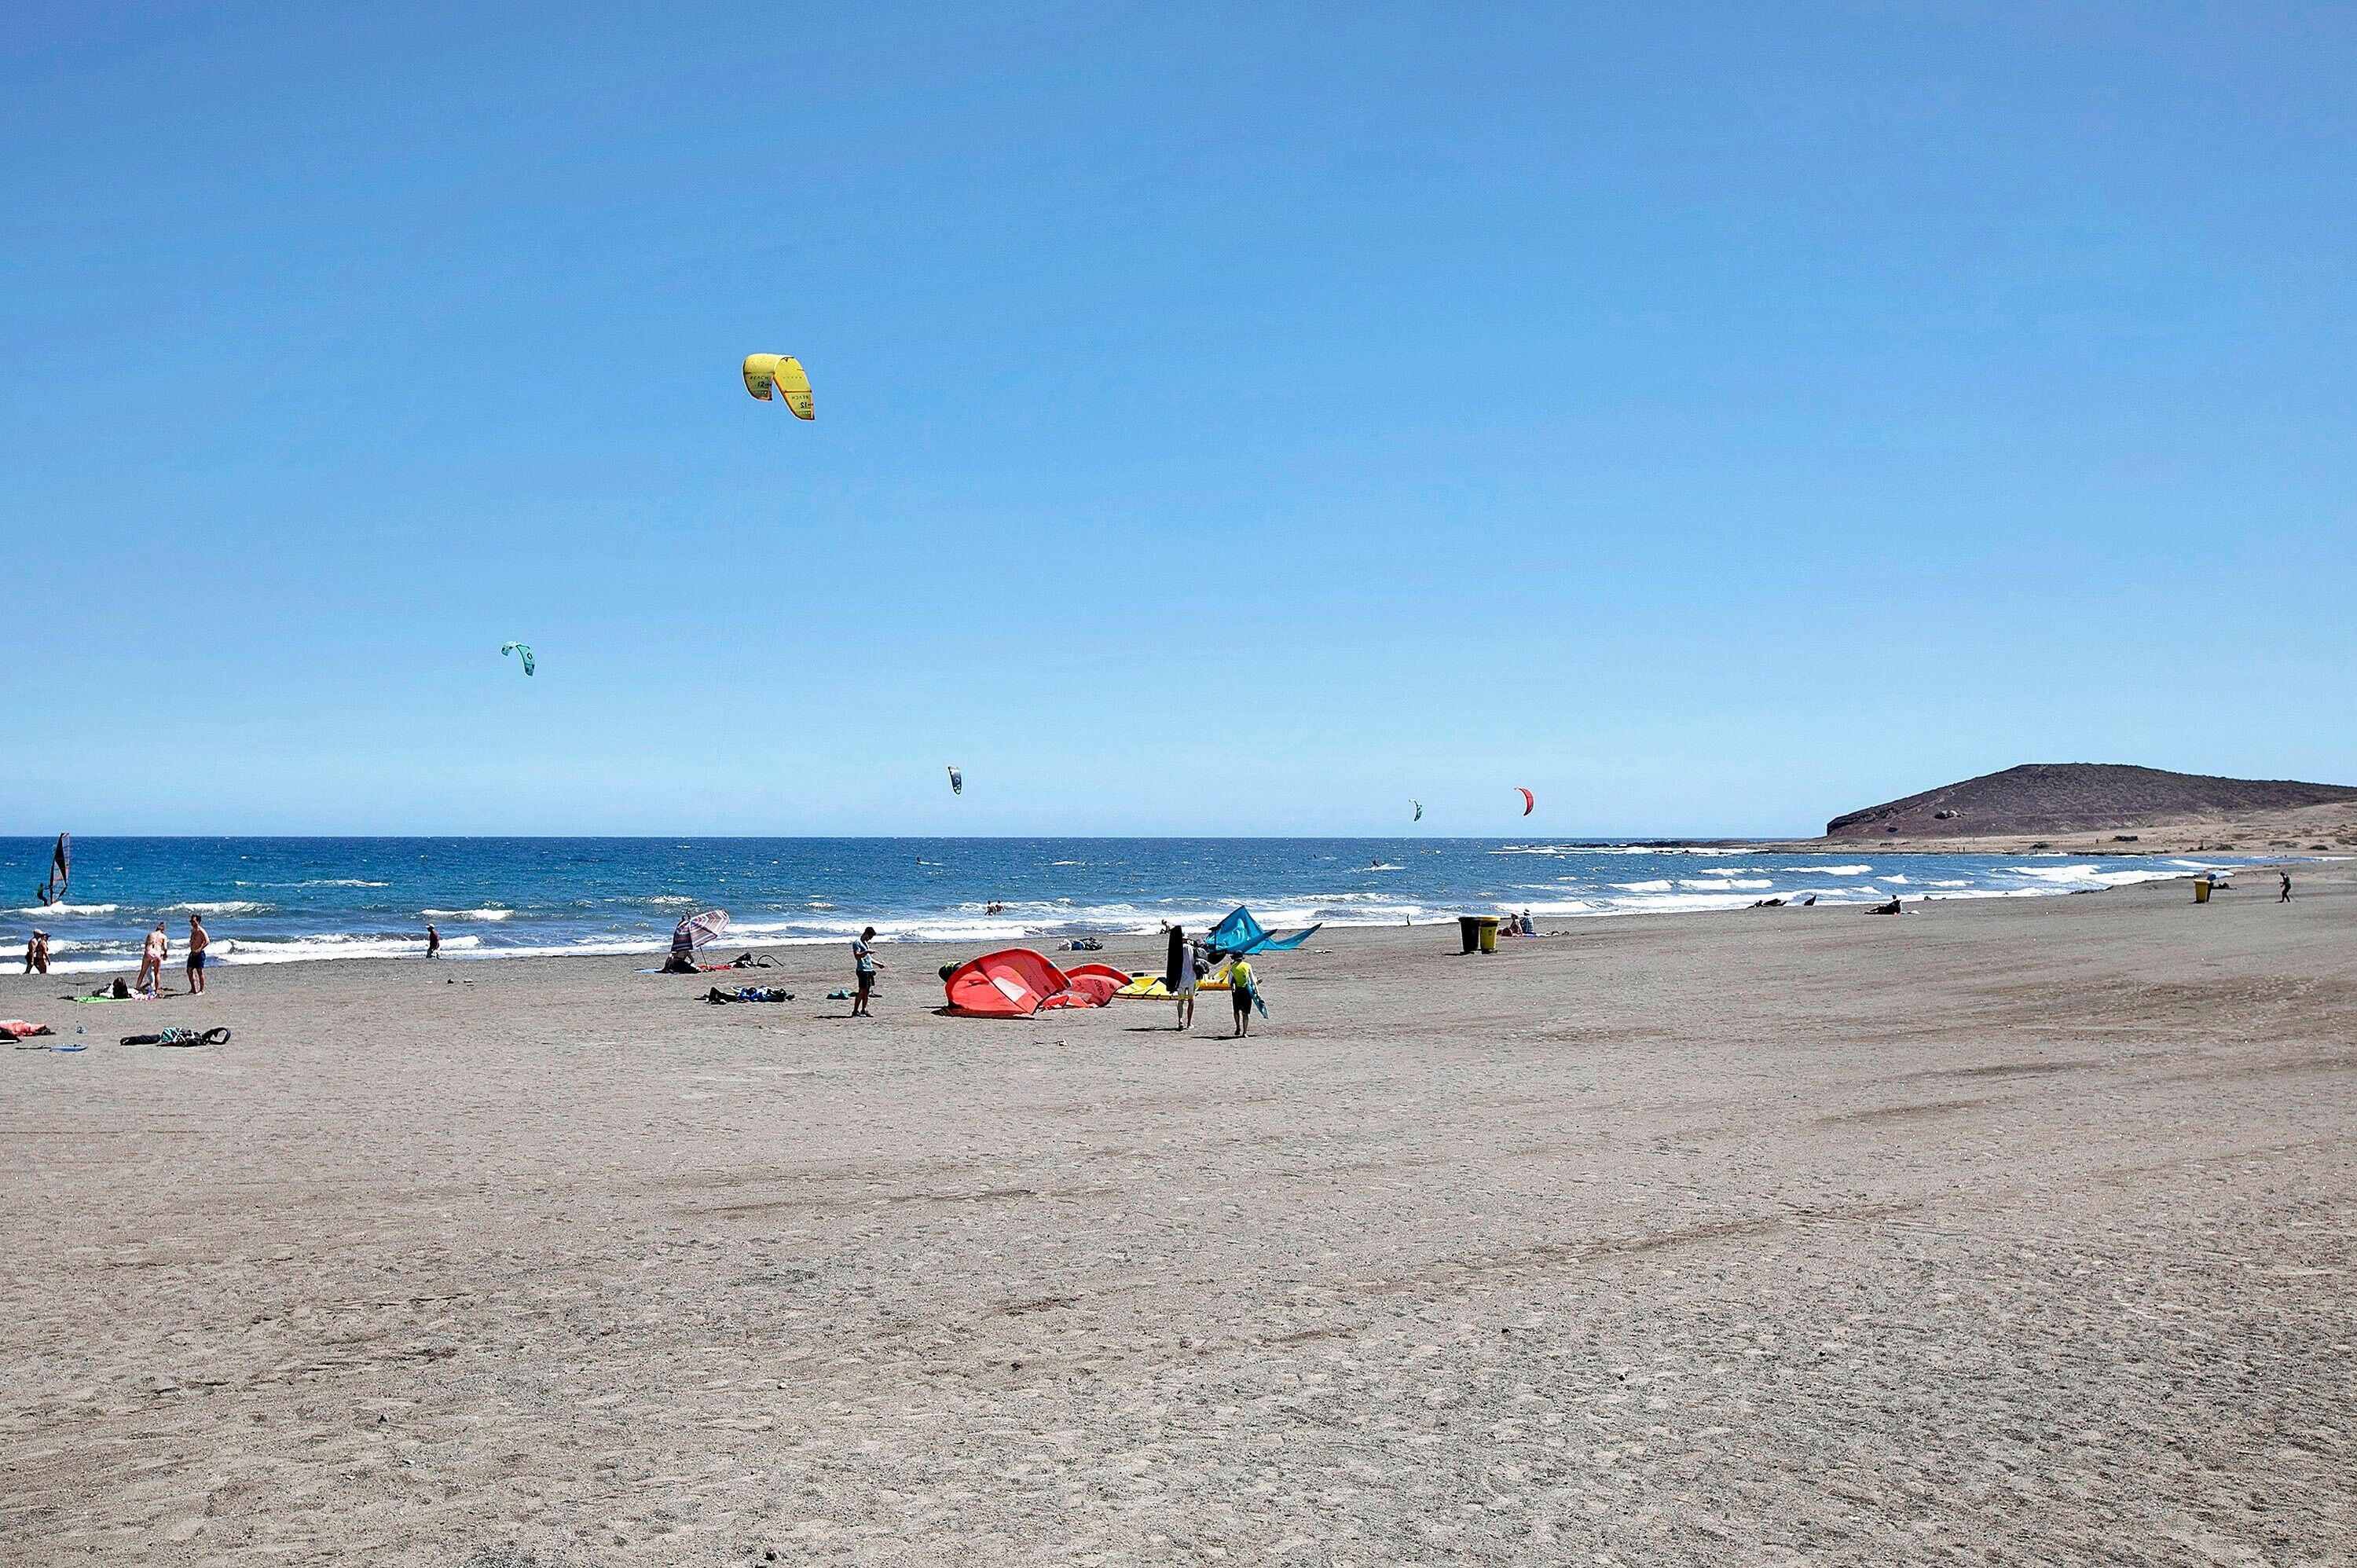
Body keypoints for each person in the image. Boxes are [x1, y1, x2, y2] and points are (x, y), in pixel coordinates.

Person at [851, 927, 880, 1016]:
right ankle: (855, 1011)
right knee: (862, 991)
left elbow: (869, 958)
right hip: (862, 970)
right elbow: (857, 956)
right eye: (870, 936)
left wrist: (879, 964)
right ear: (866, 933)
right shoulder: (857, 943)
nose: (870, 938)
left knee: (867, 991)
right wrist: (867, 951)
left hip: (869, 969)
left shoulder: (866, 943)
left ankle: (864, 1010)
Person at [1174, 932, 1199, 1031]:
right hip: (1191, 977)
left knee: (1181, 1001)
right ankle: (1189, 1023)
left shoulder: (1176, 949)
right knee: (1191, 1000)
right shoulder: (1191, 948)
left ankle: (1180, 1020)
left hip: (1181, 979)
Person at [1229, 954, 1256, 1038]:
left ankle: (1238, 1027)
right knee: (1245, 1013)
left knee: (1236, 1010)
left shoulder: (1233, 968)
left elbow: (1229, 981)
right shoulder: (1247, 965)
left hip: (1237, 991)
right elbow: (1252, 979)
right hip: (1247, 991)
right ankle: (1245, 1032)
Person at [137, 921, 169, 993]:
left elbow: (146, 945)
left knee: (143, 972)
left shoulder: (150, 934)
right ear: (163, 930)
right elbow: (165, 948)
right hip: (157, 954)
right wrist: (165, 954)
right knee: (157, 973)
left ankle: (137, 987)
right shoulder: (164, 937)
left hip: (149, 952)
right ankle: (156, 989)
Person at [186, 914, 211, 995]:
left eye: (193, 921)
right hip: (192, 953)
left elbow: (207, 941)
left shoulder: (201, 931)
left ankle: (202, 990)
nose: (192, 923)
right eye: (191, 921)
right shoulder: (193, 930)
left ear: (198, 921)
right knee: (189, 970)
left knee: (200, 971)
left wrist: (199, 949)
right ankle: (193, 989)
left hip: (200, 953)